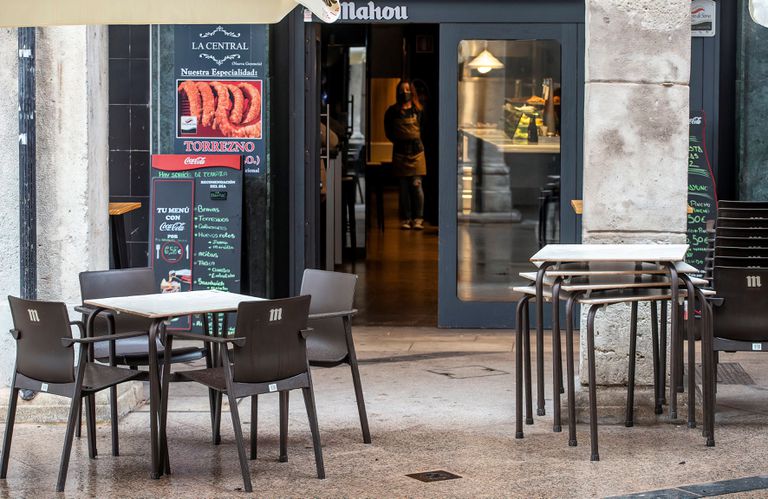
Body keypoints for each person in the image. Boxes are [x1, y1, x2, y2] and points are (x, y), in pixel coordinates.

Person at [385, 80, 427, 230]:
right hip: (400, 152)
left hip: (416, 152)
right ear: (398, 92)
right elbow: (388, 131)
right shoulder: (392, 111)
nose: (405, 93)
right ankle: (406, 218)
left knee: (416, 186)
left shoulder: (418, 110)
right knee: (403, 188)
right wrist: (399, 139)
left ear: (412, 92)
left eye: (408, 89)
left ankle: (418, 218)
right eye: (402, 90)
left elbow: (423, 129)